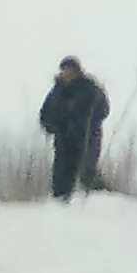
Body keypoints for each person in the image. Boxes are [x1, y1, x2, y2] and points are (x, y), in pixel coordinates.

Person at [37, 56, 111, 200]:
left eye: (71, 70)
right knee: (61, 177)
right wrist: (52, 125)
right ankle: (61, 207)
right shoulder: (57, 92)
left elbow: (104, 109)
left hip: (87, 138)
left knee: (87, 171)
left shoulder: (89, 88)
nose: (67, 73)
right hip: (64, 141)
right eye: (65, 70)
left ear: (78, 71)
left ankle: (104, 200)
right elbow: (45, 114)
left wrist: (89, 110)